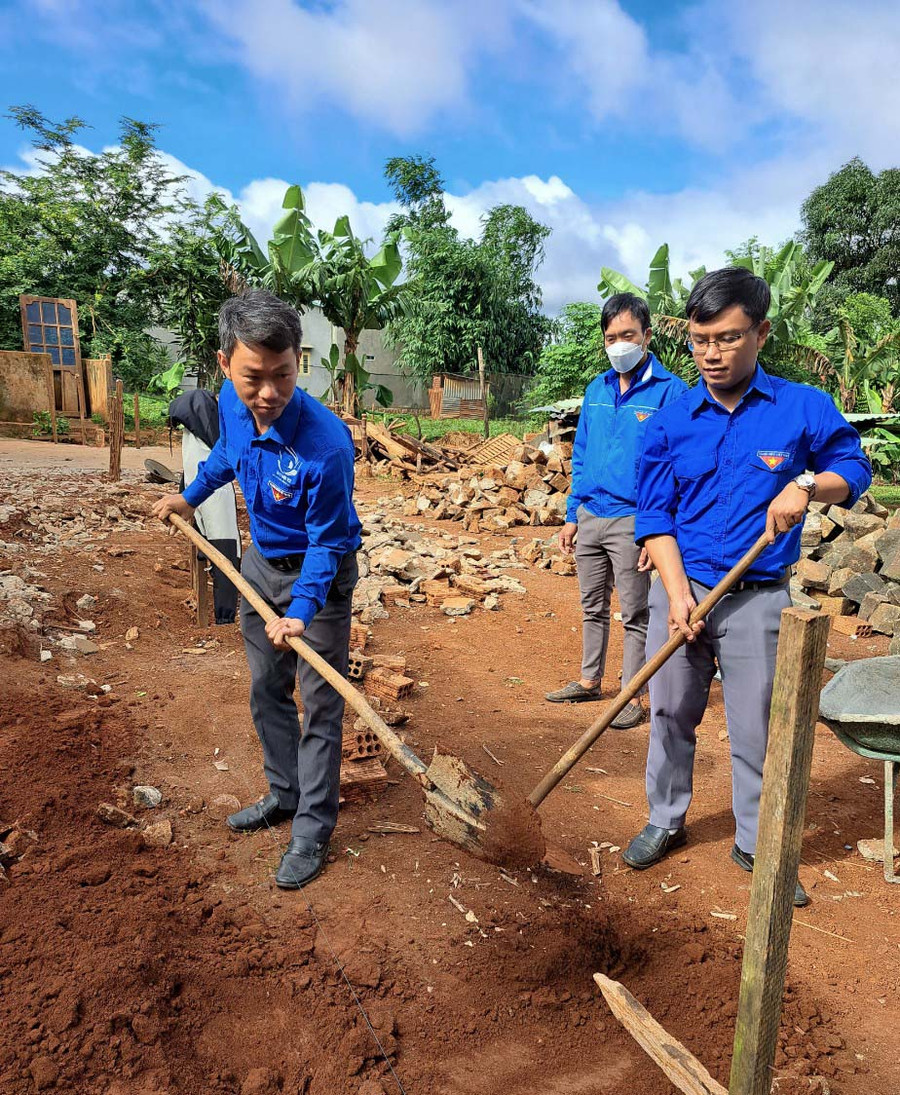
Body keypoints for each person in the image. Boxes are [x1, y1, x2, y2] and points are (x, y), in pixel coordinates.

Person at [622, 267, 871, 906]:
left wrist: (808, 486)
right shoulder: (671, 421)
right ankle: (665, 817)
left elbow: (853, 466)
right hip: (684, 588)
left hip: (759, 596)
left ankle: (757, 842)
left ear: (761, 332)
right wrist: (676, 595)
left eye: (728, 338)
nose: (711, 354)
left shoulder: (802, 407)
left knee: (757, 724)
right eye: (701, 340)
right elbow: (654, 518)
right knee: (671, 712)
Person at [152, 290, 361, 890]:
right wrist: (188, 499)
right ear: (225, 365)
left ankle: (313, 829)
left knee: (320, 705)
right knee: (267, 687)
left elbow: (327, 543)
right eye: (253, 378)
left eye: (283, 375)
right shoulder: (231, 403)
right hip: (259, 564)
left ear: (301, 362)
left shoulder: (326, 445)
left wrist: (300, 612)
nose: (268, 392)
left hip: (318, 579)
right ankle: (286, 794)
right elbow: (226, 456)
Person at [545, 293, 687, 728]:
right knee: (592, 605)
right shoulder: (596, 389)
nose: (619, 344)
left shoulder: (670, 392)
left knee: (636, 612)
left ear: (647, 335)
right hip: (591, 514)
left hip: (633, 520)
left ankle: (632, 693)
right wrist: (572, 514)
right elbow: (581, 453)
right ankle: (589, 681)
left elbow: (677, 469)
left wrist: (656, 531)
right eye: (611, 337)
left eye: (628, 335)